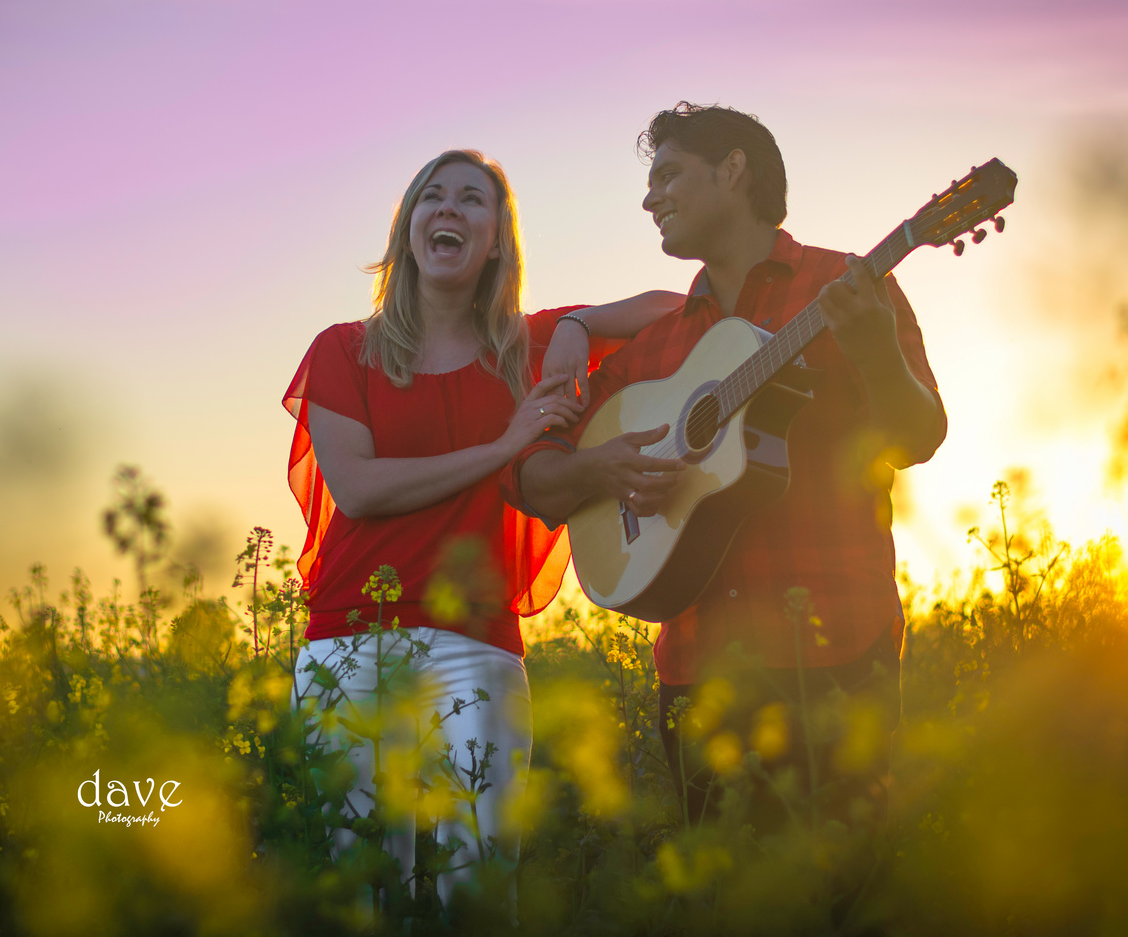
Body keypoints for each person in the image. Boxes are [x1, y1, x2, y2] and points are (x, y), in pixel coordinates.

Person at [502, 103, 946, 832]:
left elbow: (919, 434)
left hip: (836, 646)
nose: (650, 199)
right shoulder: (654, 347)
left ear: (733, 169)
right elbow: (529, 472)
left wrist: (874, 351)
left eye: (668, 174)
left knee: (849, 900)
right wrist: (601, 471)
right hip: (698, 671)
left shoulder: (848, 285)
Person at [282, 148, 681, 902]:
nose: (449, 210)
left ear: (496, 238)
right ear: (408, 228)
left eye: (472, 200)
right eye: (432, 197)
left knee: (482, 889)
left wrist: (583, 324)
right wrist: (502, 447)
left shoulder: (529, 347)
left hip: (478, 644)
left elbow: (684, 309)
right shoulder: (344, 349)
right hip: (348, 642)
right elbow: (360, 490)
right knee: (366, 893)